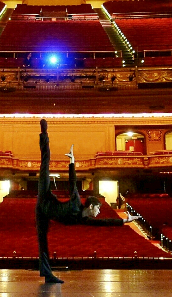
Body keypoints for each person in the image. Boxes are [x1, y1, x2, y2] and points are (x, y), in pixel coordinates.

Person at [36, 118, 140, 283]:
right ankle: (44, 133)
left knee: (43, 241)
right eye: (98, 209)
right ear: (91, 206)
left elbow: (104, 223)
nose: (99, 212)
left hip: (45, 212)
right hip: (45, 199)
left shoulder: (84, 219)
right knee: (45, 165)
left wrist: (125, 221)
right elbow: (72, 182)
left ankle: (47, 275)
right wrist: (72, 161)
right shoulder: (76, 201)